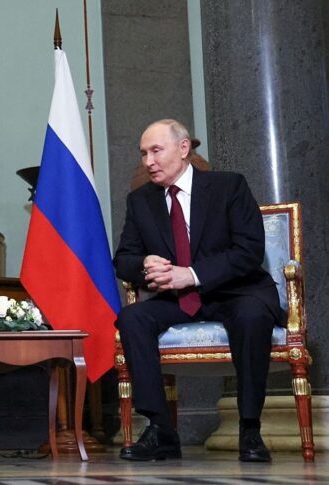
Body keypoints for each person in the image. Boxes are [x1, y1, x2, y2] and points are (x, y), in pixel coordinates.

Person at [113, 119, 284, 463]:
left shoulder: (229, 186)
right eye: (143, 153)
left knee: (251, 316)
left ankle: (250, 429)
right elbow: (123, 260)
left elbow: (249, 251)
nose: (148, 161)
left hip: (237, 293)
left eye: (156, 151)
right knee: (132, 318)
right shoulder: (140, 201)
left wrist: (190, 275)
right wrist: (145, 264)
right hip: (180, 301)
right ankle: (161, 430)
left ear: (183, 148)